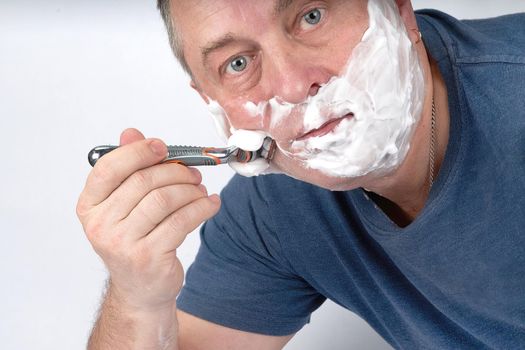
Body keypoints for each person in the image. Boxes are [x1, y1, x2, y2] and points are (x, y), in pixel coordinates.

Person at [76, 0, 525, 348]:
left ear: (397, 11)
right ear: (212, 104)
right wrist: (136, 300)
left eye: (311, 16)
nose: (293, 84)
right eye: (237, 64)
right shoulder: (273, 207)